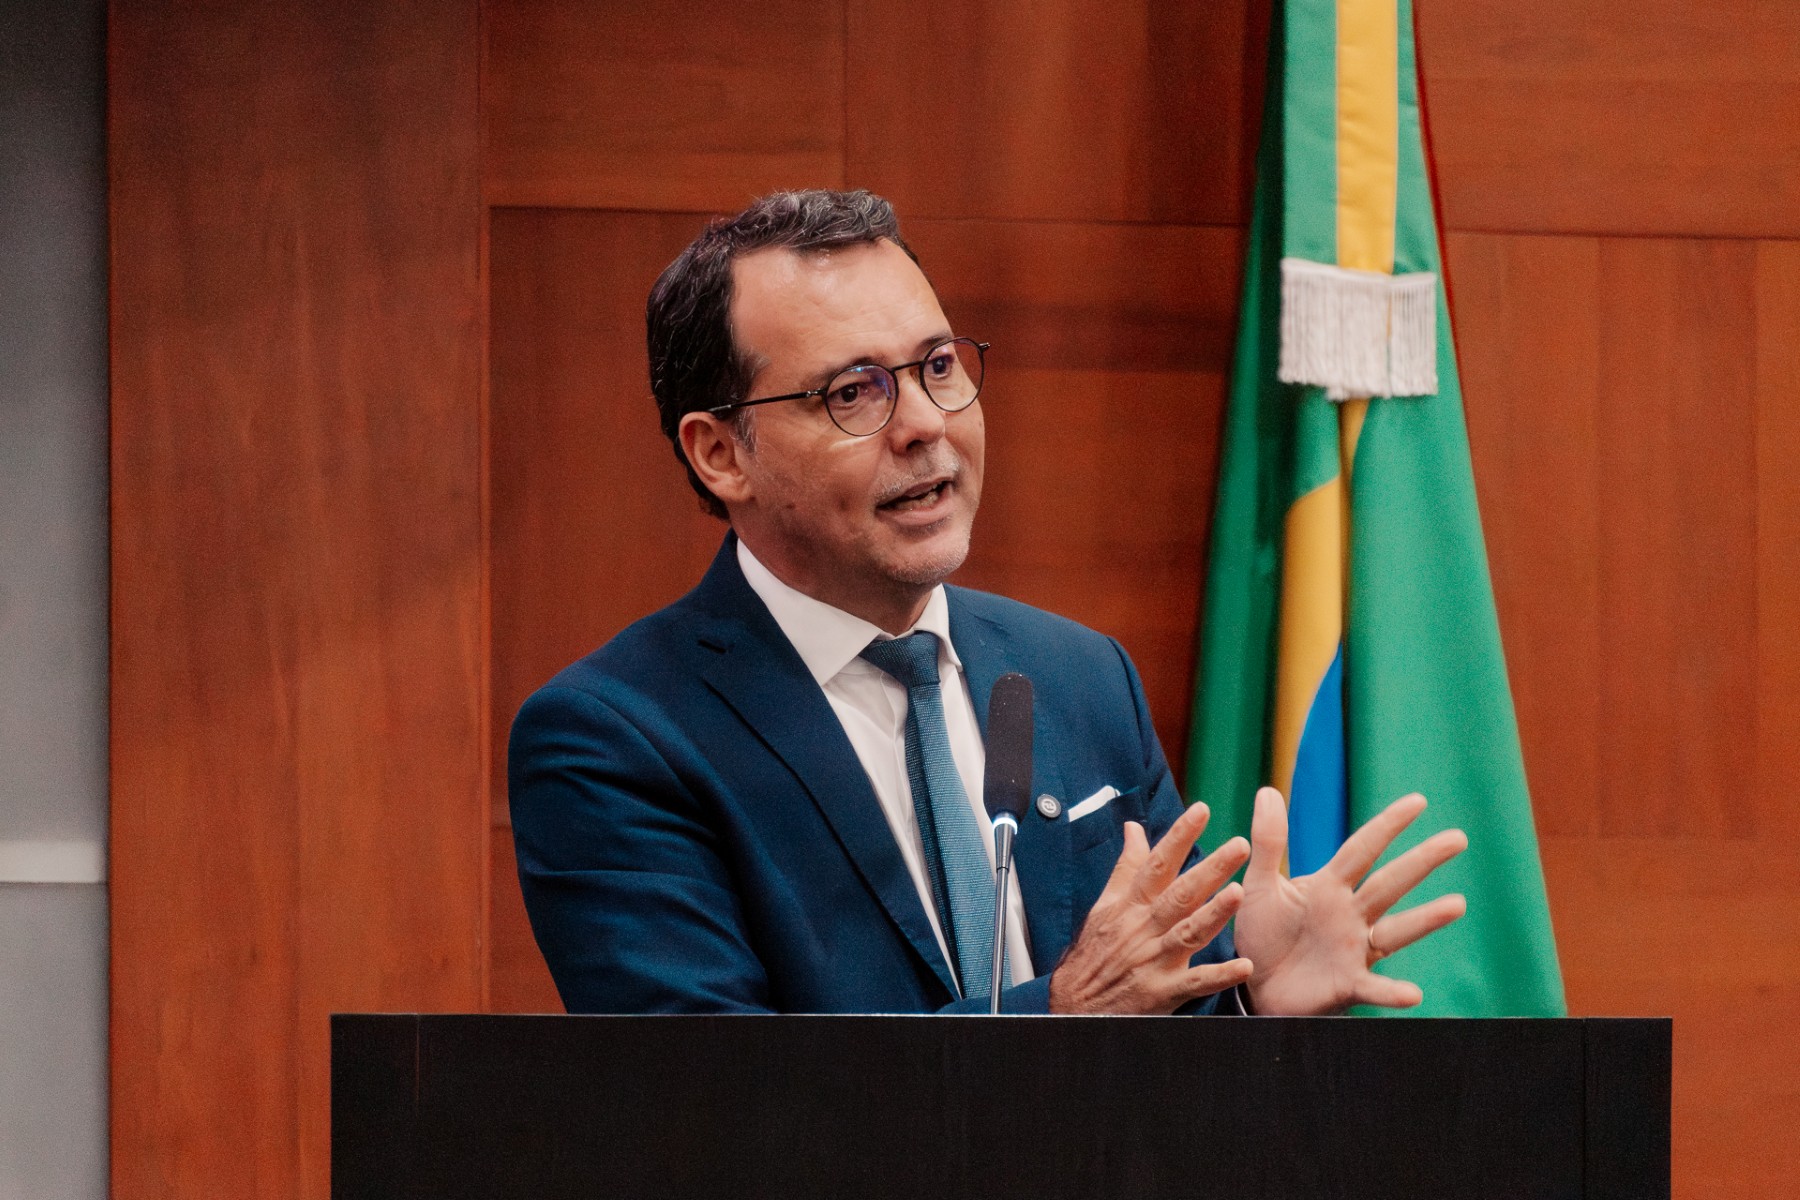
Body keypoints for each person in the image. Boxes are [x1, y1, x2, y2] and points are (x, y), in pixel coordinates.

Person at [509, 189, 1468, 1016]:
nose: (927, 426)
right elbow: (719, 1107)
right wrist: (1060, 1010)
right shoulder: (615, 739)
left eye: (937, 367)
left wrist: (1247, 993)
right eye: (855, 393)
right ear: (721, 454)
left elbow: (1152, 1038)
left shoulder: (1078, 675)